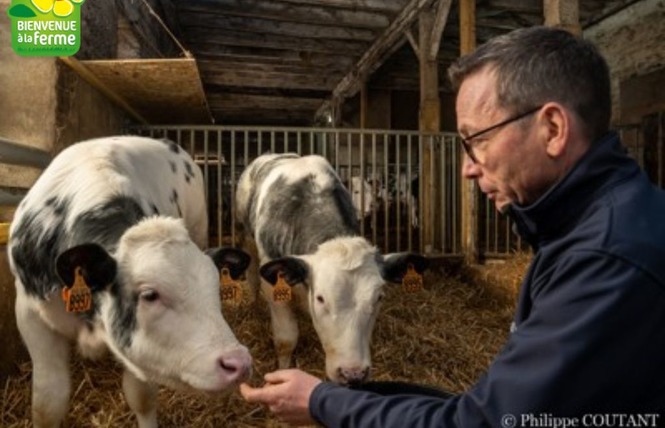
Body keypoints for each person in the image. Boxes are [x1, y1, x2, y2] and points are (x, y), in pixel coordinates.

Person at [240, 26, 665, 427]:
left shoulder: (605, 257)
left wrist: (322, 402)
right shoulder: (591, 224)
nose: (465, 168)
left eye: (475, 139)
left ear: (552, 129)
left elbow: (484, 422)